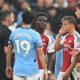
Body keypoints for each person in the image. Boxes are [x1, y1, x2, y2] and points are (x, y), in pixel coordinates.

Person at [6, 11, 48, 80]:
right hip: (32, 71)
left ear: (22, 19)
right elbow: (41, 54)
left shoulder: (14, 33)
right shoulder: (35, 34)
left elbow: (9, 50)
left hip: (18, 70)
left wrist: (8, 66)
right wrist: (45, 69)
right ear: (33, 21)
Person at [54, 16, 80, 80]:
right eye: (63, 24)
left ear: (72, 25)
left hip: (72, 71)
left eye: (65, 24)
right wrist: (59, 35)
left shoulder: (77, 37)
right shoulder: (66, 36)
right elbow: (56, 49)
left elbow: (77, 57)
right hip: (63, 70)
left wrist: (68, 72)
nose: (63, 26)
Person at [35, 12, 49, 80]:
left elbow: (51, 54)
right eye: (40, 20)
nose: (42, 22)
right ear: (35, 21)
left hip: (41, 69)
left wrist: (47, 70)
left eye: (44, 21)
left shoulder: (49, 37)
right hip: (29, 67)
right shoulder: (30, 34)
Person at [0, 10, 12, 80]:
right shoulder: (8, 32)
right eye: (12, 17)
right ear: (7, 18)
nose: (13, 19)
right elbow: (7, 51)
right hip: (2, 65)